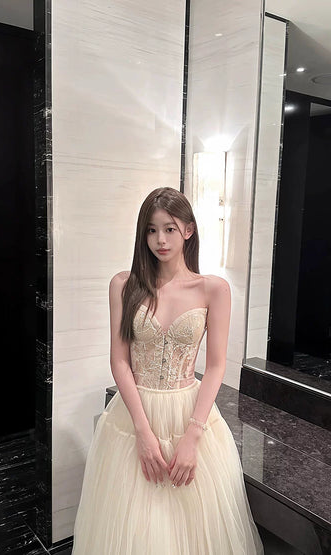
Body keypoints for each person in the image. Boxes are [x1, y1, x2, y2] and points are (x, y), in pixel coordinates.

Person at [72, 187, 264, 554]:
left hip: (189, 414)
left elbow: (216, 366)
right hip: (135, 416)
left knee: (192, 530)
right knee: (133, 528)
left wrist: (193, 435)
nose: (160, 240)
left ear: (188, 230)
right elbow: (119, 361)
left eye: (169, 229)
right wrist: (143, 433)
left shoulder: (214, 289)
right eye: (151, 230)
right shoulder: (124, 285)